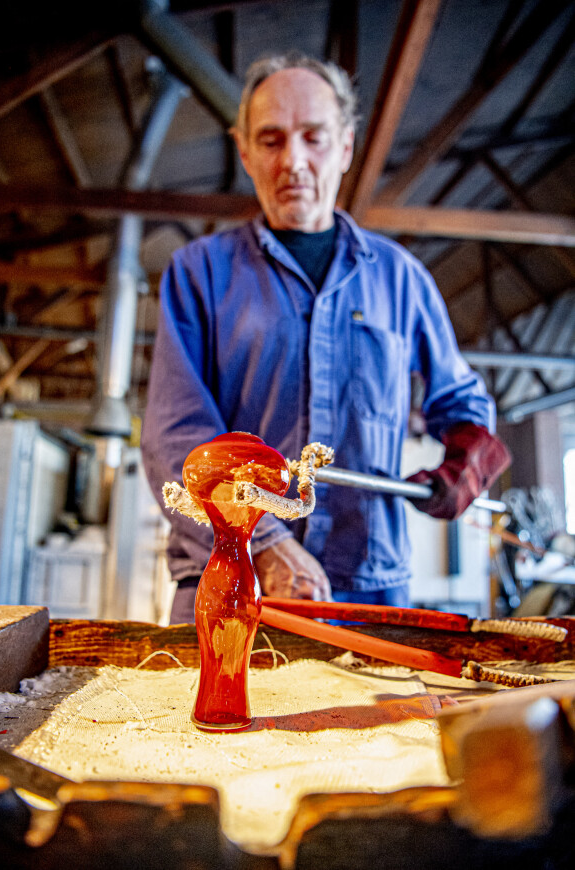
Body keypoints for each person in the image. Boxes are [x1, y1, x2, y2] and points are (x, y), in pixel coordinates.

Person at [141, 52, 510, 624]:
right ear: (244, 151)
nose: (293, 160)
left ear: (344, 146)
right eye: (271, 140)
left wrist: (468, 458)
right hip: (233, 583)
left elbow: (463, 404)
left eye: (314, 138)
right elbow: (175, 435)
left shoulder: (402, 278)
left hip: (370, 589)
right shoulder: (198, 274)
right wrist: (262, 542)